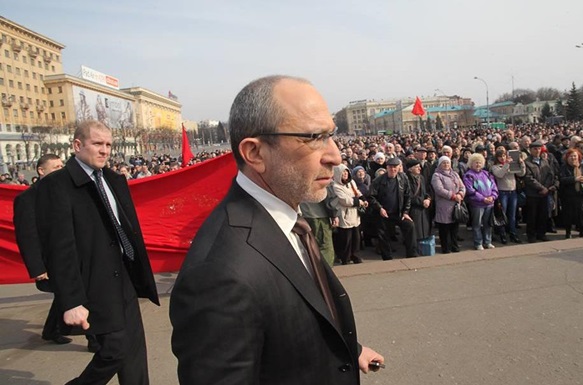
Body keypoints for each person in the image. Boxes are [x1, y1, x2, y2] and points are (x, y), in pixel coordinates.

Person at [170, 75, 383, 385]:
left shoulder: (286, 220)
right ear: (255, 153)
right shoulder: (219, 273)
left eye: (330, 135)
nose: (336, 156)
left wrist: (350, 350)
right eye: (313, 137)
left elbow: (291, 321)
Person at [35, 120, 160, 384]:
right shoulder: (57, 185)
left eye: (108, 145)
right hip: (93, 282)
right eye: (97, 144)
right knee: (115, 350)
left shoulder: (114, 179)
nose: (105, 150)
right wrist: (70, 301)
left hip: (125, 276)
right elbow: (59, 247)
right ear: (77, 145)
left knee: (135, 354)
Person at [13, 154, 69, 344]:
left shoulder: (68, 192)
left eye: (62, 166)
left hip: (70, 255)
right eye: (55, 167)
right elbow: (27, 236)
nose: (61, 170)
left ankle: (51, 330)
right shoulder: (27, 199)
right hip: (50, 259)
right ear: (41, 171)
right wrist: (38, 268)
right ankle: (95, 339)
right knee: (72, 292)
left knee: (68, 292)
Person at [369, 157, 418, 259]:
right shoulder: (378, 180)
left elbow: (407, 195)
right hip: (384, 213)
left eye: (395, 167)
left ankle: (412, 254)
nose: (393, 169)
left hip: (399, 212)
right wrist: (379, 208)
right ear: (387, 168)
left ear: (399, 167)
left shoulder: (403, 178)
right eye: (390, 167)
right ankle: (387, 257)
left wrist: (405, 212)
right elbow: (371, 197)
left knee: (410, 226)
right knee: (383, 235)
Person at [330, 164, 367, 265]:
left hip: (354, 214)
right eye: (343, 172)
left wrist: (363, 199)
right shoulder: (336, 186)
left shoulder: (351, 182)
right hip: (344, 214)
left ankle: (355, 255)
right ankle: (345, 258)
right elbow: (345, 200)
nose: (345, 174)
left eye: (346, 172)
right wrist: (359, 202)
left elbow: (357, 192)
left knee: (356, 237)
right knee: (346, 239)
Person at [523, 141, 559, 243]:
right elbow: (529, 178)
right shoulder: (527, 162)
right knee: (532, 215)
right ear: (530, 150)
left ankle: (541, 233)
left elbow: (550, 175)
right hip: (533, 193)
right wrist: (541, 188)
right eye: (535, 149)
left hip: (545, 193)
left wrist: (546, 188)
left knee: (542, 215)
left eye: (539, 149)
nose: (537, 151)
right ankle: (531, 235)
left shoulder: (544, 161)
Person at [463, 153, 499, 250]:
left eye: (479, 162)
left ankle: (488, 242)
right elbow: (470, 190)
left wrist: (493, 197)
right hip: (477, 204)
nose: (478, 164)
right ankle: (478, 243)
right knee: (477, 224)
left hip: (490, 204)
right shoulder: (468, 175)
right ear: (471, 164)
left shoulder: (487, 174)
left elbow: (494, 187)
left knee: (488, 224)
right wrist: (483, 199)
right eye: (475, 163)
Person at [431, 156, 466, 254]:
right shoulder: (437, 175)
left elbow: (462, 186)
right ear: (440, 164)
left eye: (448, 163)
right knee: (444, 228)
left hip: (455, 204)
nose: (446, 165)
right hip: (444, 205)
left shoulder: (454, 174)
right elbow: (439, 189)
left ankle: (454, 245)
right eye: (444, 163)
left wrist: (460, 194)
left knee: (454, 227)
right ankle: (445, 248)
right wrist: (453, 196)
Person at [490, 147, 525, 243]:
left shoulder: (510, 165)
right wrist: (506, 164)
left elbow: (521, 174)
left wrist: (521, 163)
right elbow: (500, 175)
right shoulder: (495, 167)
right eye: (500, 156)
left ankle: (513, 234)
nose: (502, 158)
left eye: (504, 156)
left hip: (512, 192)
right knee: (502, 215)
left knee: (512, 215)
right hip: (502, 192)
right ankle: (502, 234)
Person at [559, 148, 583, 238]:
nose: (573, 158)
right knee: (568, 215)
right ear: (567, 158)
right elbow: (562, 179)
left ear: (578, 157)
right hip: (569, 196)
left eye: (575, 156)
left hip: (582, 195)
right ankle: (568, 232)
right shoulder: (564, 168)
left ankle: (582, 231)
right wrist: (575, 179)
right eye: (571, 156)